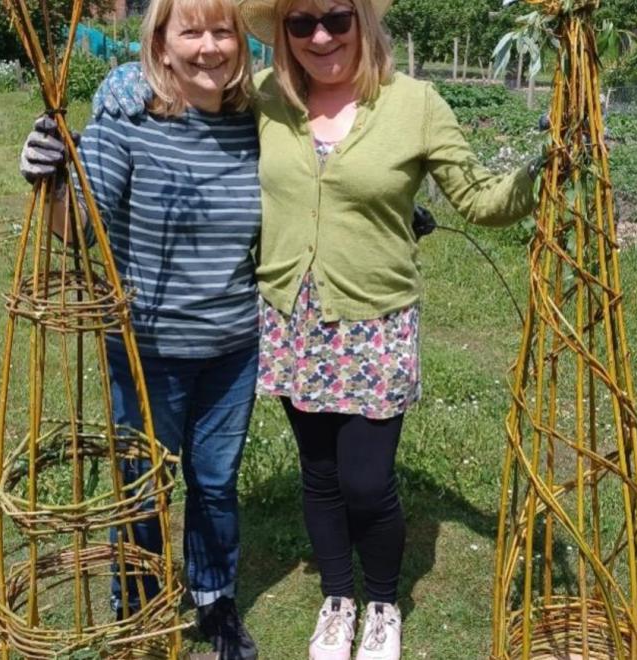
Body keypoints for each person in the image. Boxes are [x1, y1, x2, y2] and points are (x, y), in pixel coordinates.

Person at [94, 0, 540, 657]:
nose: (320, 35)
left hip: (372, 323)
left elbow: (478, 197)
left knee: (365, 482)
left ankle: (380, 604)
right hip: (289, 322)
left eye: (336, 17)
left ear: (363, 19)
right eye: (301, 23)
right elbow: (191, 81)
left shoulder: (413, 103)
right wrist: (124, 78)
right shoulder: (270, 98)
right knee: (317, 474)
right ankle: (331, 599)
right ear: (284, 34)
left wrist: (542, 170)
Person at [19, 0, 262, 657]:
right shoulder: (126, 120)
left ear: (241, 42)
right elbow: (78, 227)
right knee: (144, 488)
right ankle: (137, 605)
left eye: (223, 31)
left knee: (216, 484)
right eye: (192, 31)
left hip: (234, 348)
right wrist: (50, 176)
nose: (209, 47)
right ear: (160, 43)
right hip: (146, 348)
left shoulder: (254, 125)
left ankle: (214, 600)